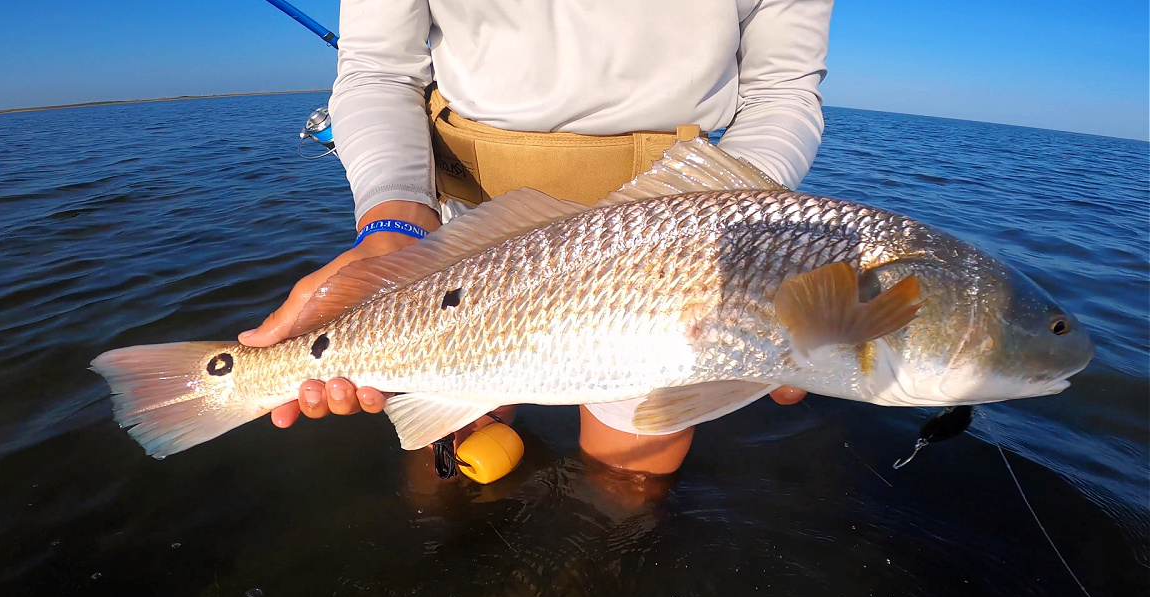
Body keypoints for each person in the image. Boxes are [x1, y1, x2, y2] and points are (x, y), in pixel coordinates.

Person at [240, 0, 830, 475]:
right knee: (452, 442)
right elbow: (378, 69)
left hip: (673, 246)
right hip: (470, 228)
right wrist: (394, 228)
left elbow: (782, 91)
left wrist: (743, 243)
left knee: (630, 474)